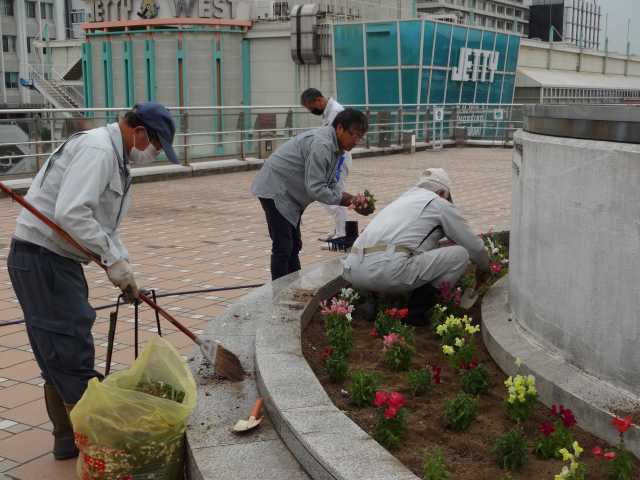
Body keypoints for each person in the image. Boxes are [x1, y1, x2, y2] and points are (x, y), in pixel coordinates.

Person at [6, 102, 178, 460]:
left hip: (53, 261)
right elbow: (71, 213)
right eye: (156, 147)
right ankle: (98, 448)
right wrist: (111, 259)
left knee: (59, 350)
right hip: (43, 260)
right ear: (140, 132)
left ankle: (67, 442)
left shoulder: (114, 156)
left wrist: (123, 265)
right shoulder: (100, 151)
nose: (154, 155)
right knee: (69, 348)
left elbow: (102, 224)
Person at [342, 168, 490, 326]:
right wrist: (483, 266)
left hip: (352, 270)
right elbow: (474, 246)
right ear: (442, 193)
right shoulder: (438, 203)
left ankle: (371, 301)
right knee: (460, 254)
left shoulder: (401, 200)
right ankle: (415, 313)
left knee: (395, 255)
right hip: (386, 273)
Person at [251, 108, 369, 280]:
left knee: (294, 244)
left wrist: (353, 200)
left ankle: (293, 286)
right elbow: (316, 188)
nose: (356, 141)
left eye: (361, 137)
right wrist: (349, 200)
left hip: (290, 195)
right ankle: (279, 294)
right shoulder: (322, 145)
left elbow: (332, 182)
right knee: (283, 246)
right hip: (275, 190)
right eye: (354, 135)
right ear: (340, 128)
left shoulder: (337, 147)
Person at [301, 88, 352, 241]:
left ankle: (342, 233)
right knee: (332, 192)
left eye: (311, 108)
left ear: (318, 100)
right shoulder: (330, 112)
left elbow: (334, 139)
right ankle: (339, 230)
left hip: (338, 159)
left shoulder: (336, 112)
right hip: (334, 157)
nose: (312, 111)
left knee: (333, 193)